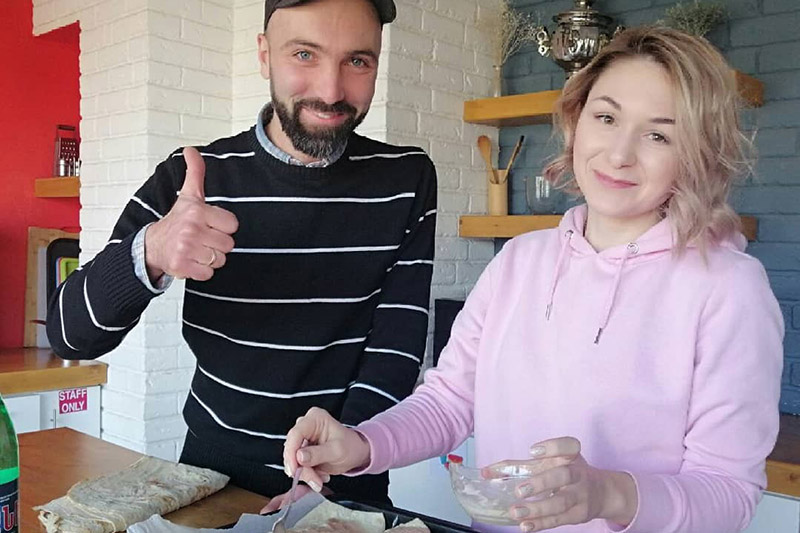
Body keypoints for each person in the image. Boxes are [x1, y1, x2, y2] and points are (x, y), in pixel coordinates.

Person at [282, 26, 784, 532]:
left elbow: (727, 492)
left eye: (659, 134)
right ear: (576, 120)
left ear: (696, 151)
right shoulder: (519, 260)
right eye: (606, 117)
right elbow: (449, 402)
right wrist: (360, 443)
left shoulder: (729, 288)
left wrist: (609, 494)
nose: (619, 154)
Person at [46, 0, 437, 506]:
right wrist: (152, 252)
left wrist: (336, 466)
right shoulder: (194, 175)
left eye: (357, 61)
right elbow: (70, 335)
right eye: (304, 54)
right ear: (264, 55)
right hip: (213, 477)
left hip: (347, 477)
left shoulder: (407, 178)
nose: (331, 90)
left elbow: (396, 345)